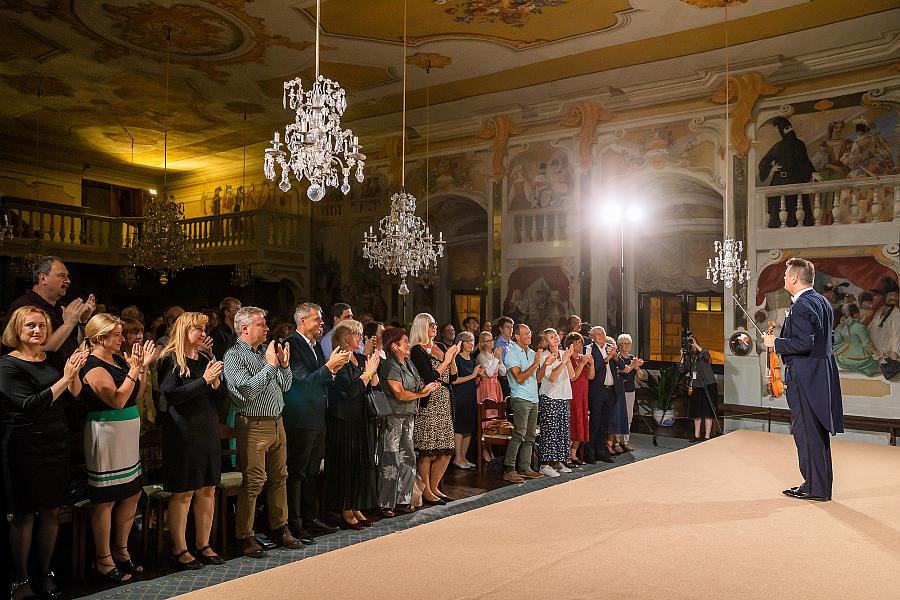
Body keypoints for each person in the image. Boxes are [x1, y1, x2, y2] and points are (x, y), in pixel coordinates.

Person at [0, 307, 88, 600]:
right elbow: (31, 404)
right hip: (25, 444)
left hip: (56, 441)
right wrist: (65, 378)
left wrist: (74, 373)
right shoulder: (8, 365)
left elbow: (75, 394)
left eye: (42, 326)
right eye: (30, 326)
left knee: (52, 510)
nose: (37, 331)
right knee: (25, 514)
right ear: (17, 329)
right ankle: (20, 577)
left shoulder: (51, 358)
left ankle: (44, 572)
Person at [79, 313, 157, 582]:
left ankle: (121, 551)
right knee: (106, 499)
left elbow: (135, 394)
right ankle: (102, 559)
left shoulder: (119, 359)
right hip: (106, 433)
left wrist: (142, 368)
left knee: (131, 494)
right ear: (100, 337)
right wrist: (134, 371)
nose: (122, 339)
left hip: (126, 433)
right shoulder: (92, 365)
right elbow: (116, 400)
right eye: (117, 334)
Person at [223, 306, 301, 557]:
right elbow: (246, 391)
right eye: (261, 324)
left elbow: (286, 386)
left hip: (277, 422)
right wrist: (270, 366)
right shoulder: (234, 356)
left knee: (280, 477)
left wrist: (284, 366)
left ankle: (279, 527)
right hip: (254, 424)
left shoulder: (262, 353)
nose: (267, 328)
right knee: (254, 482)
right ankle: (244, 535)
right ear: (244, 328)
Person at [764, 257, 844, 502]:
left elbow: (804, 343)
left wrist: (775, 343)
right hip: (821, 375)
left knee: (806, 431)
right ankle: (818, 485)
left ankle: (814, 488)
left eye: (786, 275)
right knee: (815, 432)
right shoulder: (822, 301)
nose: (784, 279)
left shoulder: (801, 305)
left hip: (806, 376)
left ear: (795, 278)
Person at [157, 312, 229, 569]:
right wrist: (204, 381)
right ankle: (179, 548)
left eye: (204, 329)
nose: (202, 333)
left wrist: (217, 383)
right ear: (184, 331)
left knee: (207, 488)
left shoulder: (205, 358)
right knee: (184, 492)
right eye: (197, 329)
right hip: (183, 432)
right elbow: (171, 394)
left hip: (207, 428)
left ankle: (203, 544)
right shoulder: (170, 359)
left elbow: (220, 396)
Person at [283, 303, 349, 542]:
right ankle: (295, 523)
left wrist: (333, 370)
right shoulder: (292, 344)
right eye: (317, 320)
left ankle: (310, 519)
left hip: (318, 416)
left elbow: (322, 380)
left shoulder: (313, 346)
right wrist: (329, 367)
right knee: (298, 472)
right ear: (302, 321)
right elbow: (301, 382)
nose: (321, 324)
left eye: (321, 320)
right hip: (300, 418)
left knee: (312, 471)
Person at [323, 319, 379, 530]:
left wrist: (372, 369)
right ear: (346, 337)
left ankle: (356, 505)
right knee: (346, 465)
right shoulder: (339, 359)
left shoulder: (359, 358)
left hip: (361, 417)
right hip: (343, 419)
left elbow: (372, 386)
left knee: (360, 463)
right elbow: (349, 392)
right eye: (357, 334)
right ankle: (345, 508)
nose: (360, 338)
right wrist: (366, 374)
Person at [377, 327, 439, 517]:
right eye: (404, 341)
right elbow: (399, 393)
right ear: (394, 345)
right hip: (393, 417)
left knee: (408, 457)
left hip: (409, 416)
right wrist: (423, 393)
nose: (408, 344)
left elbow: (416, 385)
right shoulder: (389, 365)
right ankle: (386, 502)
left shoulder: (409, 363)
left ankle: (404, 498)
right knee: (391, 457)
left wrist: (426, 387)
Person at [409, 313, 459, 504]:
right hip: (429, 402)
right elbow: (429, 376)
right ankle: (426, 490)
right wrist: (446, 360)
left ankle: (435, 487)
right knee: (428, 450)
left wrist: (452, 358)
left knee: (446, 450)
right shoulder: (417, 351)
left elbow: (453, 376)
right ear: (421, 327)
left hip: (445, 400)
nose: (434, 327)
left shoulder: (441, 347)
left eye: (435, 324)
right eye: (431, 324)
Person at [8, 256, 96, 358]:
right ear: (43, 279)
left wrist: (82, 321)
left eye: (67, 276)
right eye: (62, 275)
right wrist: (69, 323)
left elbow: (76, 344)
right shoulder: (24, 306)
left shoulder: (60, 306)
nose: (68, 281)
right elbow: (43, 347)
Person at [758, 117, 820, 227]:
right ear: (782, 131)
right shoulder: (778, 146)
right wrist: (771, 168)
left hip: (796, 180)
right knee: (779, 211)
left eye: (791, 127)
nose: (790, 130)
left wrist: (812, 173)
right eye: (787, 128)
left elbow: (804, 161)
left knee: (797, 209)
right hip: (780, 181)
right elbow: (764, 161)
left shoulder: (799, 144)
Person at [502, 324, 545, 483]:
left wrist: (544, 365)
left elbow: (537, 379)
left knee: (530, 435)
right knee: (519, 433)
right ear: (517, 337)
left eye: (530, 332)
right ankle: (509, 469)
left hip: (534, 398)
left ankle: (525, 467)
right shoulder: (511, 354)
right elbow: (519, 378)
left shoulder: (533, 353)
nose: (529, 335)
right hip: (520, 398)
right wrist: (535, 364)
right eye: (525, 333)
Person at [535, 328, 575, 478]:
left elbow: (571, 375)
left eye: (556, 335)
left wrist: (567, 359)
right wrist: (563, 362)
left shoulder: (563, 354)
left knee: (562, 430)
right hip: (550, 396)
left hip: (564, 395)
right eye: (552, 337)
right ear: (546, 341)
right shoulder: (545, 356)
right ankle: (544, 464)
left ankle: (557, 461)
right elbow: (551, 378)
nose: (556, 338)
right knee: (550, 431)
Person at [585, 326, 624, 464]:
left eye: (603, 333)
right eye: (598, 334)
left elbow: (622, 365)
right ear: (592, 336)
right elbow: (593, 369)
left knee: (605, 423)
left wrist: (614, 356)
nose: (601, 336)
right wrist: (607, 358)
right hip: (597, 391)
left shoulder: (610, 347)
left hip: (611, 390)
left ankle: (602, 452)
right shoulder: (589, 349)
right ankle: (590, 453)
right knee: (595, 422)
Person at [451, 331, 483, 470]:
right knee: (459, 428)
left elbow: (474, 381)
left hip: (471, 396)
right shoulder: (457, 359)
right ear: (461, 343)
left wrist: (478, 376)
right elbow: (454, 381)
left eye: (473, 341)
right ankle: (457, 458)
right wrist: (473, 375)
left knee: (469, 428)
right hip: (460, 397)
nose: (472, 344)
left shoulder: (473, 360)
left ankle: (464, 458)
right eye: (469, 341)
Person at [564, 331, 593, 466]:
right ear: (569, 344)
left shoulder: (583, 357)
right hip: (571, 395)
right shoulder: (568, 358)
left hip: (583, 395)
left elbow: (591, 376)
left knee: (581, 423)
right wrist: (581, 364)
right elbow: (573, 377)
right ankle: (565, 455)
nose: (578, 344)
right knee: (572, 424)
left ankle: (573, 454)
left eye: (580, 342)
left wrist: (591, 364)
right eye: (575, 342)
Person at [684, 337, 717, 442]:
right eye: (689, 344)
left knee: (708, 412)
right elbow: (682, 369)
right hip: (697, 386)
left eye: (692, 343)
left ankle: (707, 436)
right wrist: (682, 356)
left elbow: (706, 354)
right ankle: (696, 435)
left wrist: (696, 345)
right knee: (696, 412)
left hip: (708, 385)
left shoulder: (703, 354)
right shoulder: (690, 358)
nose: (691, 346)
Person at [615, 333, 645, 450]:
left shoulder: (632, 358)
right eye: (625, 343)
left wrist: (637, 367)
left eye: (629, 343)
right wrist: (633, 365)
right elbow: (624, 371)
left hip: (630, 390)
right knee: (619, 416)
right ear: (620, 345)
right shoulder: (618, 358)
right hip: (620, 390)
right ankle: (616, 442)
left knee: (629, 416)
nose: (628, 346)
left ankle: (625, 442)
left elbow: (641, 376)